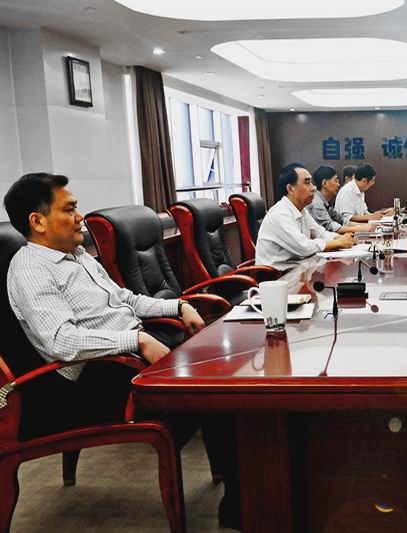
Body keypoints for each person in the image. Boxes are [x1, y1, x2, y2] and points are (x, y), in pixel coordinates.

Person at [3, 172, 241, 529]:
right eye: (68, 209)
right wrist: (137, 341)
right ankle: (241, 506)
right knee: (215, 387)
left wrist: (178, 307)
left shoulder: (77, 255)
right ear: (37, 221)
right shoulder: (31, 269)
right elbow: (61, 341)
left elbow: (125, 299)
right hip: (88, 380)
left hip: (124, 356)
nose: (79, 217)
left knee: (222, 370)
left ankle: (241, 492)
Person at [256, 162, 356, 270]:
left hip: (298, 269)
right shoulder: (280, 214)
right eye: (307, 183)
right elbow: (303, 247)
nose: (313, 188)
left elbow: (319, 232)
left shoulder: (301, 210)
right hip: (277, 276)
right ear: (290, 189)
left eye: (311, 183)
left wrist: (340, 237)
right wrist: (339, 242)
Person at [308, 165, 377, 234]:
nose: (338, 184)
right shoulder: (317, 203)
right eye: (336, 180)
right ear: (324, 183)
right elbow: (330, 227)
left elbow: (342, 221)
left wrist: (365, 226)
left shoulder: (326, 201)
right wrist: (359, 228)